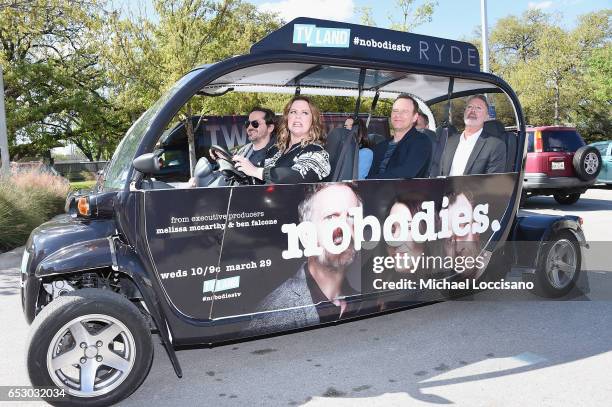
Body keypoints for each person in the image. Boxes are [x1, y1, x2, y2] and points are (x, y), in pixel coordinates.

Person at [246, 183, 362, 334]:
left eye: (352, 216)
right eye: (331, 217)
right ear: (305, 233)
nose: (344, 227)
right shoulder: (277, 312)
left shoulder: (360, 300)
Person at [233, 96, 330, 184]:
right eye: (293, 112)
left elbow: (296, 176)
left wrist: (256, 171)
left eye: (304, 113)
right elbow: (258, 179)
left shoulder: (317, 152)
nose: (297, 116)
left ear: (313, 121)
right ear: (287, 118)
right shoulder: (276, 150)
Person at [367, 94, 432, 180]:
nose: (398, 115)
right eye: (395, 110)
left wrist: (370, 182)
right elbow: (370, 174)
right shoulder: (381, 146)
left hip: (405, 192)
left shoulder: (421, 142)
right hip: (372, 190)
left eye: (404, 111)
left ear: (414, 117)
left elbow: (406, 173)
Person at [439, 95, 506, 176]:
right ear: (464, 113)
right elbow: (439, 173)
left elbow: (492, 183)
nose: (472, 110)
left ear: (486, 117)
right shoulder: (449, 142)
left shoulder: (495, 145)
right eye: (469, 107)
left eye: (478, 108)